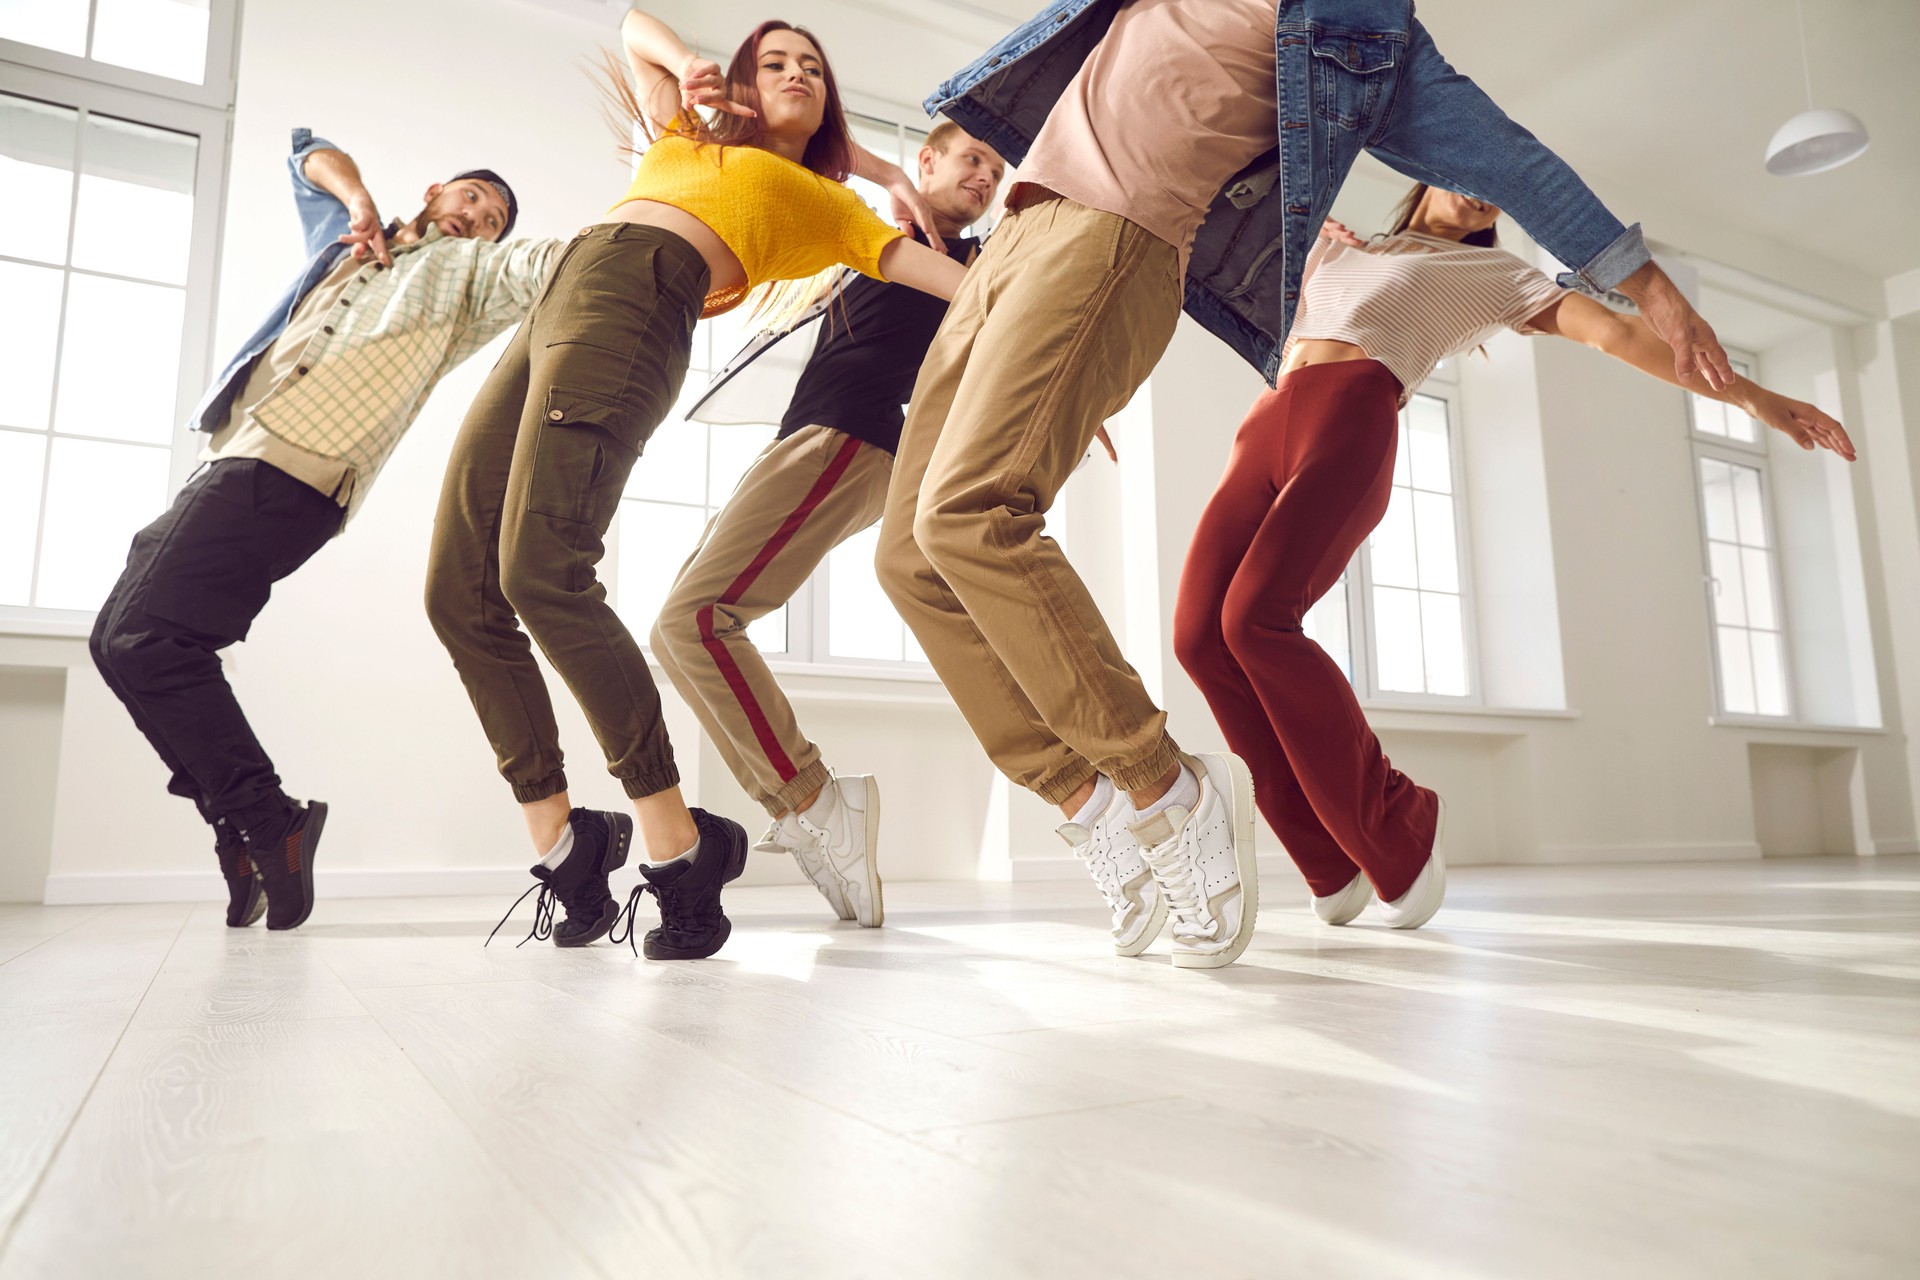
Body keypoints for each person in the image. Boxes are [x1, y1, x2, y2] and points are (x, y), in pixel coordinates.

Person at [879, 0, 1739, 970]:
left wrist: (1652, 288)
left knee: (982, 517)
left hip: (1119, 241)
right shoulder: (1356, 240)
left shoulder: (1366, 36)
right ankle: (1094, 803)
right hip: (1016, 232)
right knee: (909, 553)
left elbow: (1510, 160)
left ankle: (1170, 790)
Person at [433, 10, 968, 961]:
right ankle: (566, 847)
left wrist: (880, 180)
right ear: (749, 86)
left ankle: (682, 851)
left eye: (814, 64)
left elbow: (969, 292)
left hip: (641, 300)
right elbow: (635, 23)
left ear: (827, 103)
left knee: (541, 573)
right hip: (561, 295)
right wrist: (689, 62)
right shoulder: (689, 134)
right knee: (458, 592)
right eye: (776, 61)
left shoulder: (826, 206)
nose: (796, 71)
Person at [1175, 188, 1856, 930]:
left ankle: (1398, 826)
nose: (1478, 199)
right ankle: (1329, 863)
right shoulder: (1341, 244)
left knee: (1255, 620)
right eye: (1466, 180)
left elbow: (1620, 336)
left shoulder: (1498, 280)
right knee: (1199, 637)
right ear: (1423, 173)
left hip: (1350, 417)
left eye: (1493, 201)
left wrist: (1754, 399)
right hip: (1267, 421)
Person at [89, 128, 549, 933]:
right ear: (436, 189)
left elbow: (535, 267)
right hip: (234, 457)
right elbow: (306, 151)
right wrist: (361, 203)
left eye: (494, 218)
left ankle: (270, 822)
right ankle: (243, 828)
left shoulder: (470, 275)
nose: (480, 219)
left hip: (296, 472)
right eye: (473, 197)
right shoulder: (343, 241)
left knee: (143, 638)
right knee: (117, 641)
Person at [649, 122, 1006, 930]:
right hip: (805, 439)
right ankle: (810, 804)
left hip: (848, 437)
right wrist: (885, 181)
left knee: (697, 620)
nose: (984, 176)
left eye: (995, 168)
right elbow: (825, 162)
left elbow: (1009, 326)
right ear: (927, 161)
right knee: (679, 628)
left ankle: (813, 803)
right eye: (971, 159)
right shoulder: (884, 231)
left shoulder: (974, 259)